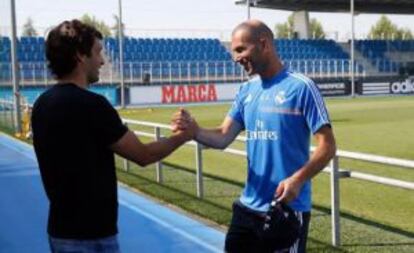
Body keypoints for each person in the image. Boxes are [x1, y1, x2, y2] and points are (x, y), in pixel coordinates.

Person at [172, 20, 336, 253]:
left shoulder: (301, 87)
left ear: (263, 44)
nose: (236, 58)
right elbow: (223, 136)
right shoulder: (247, 90)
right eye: (234, 52)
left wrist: (297, 180)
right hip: (246, 211)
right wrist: (195, 131)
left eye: (240, 50)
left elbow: (327, 146)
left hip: (286, 211)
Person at [31, 19, 195, 253]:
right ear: (80, 55)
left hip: (59, 231)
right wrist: (182, 136)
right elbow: (143, 155)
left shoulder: (41, 105)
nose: (102, 60)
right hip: (93, 236)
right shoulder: (93, 105)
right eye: (97, 52)